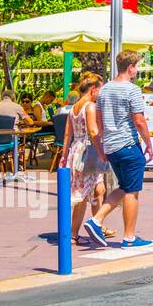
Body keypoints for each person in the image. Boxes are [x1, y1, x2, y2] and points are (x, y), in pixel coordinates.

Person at [83, 51, 153, 248]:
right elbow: (139, 121)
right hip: (129, 145)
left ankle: (96, 220)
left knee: (123, 186)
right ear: (130, 67)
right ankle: (129, 237)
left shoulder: (104, 89)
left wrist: (100, 149)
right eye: (137, 66)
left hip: (111, 147)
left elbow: (98, 122)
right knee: (132, 191)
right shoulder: (132, 90)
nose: (137, 70)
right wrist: (148, 144)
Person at [59, 74, 115, 244]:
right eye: (101, 89)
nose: (101, 93)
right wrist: (102, 153)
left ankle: (98, 224)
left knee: (99, 190)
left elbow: (68, 134)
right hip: (87, 153)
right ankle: (73, 235)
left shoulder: (74, 107)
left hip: (76, 151)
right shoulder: (90, 106)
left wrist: (63, 155)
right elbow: (93, 133)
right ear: (93, 89)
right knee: (82, 196)